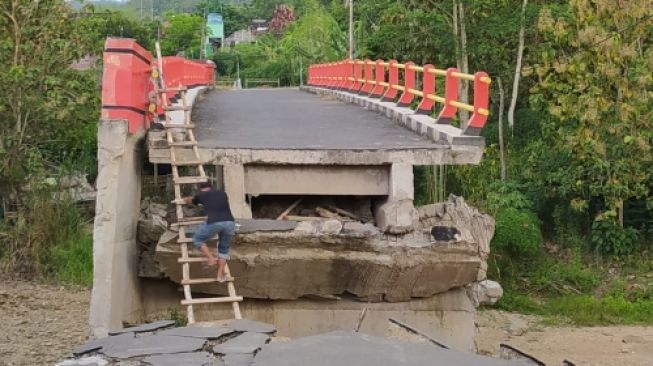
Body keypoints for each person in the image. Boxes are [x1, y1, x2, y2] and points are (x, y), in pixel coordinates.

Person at [176, 182, 236, 282]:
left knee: (197, 239)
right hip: (230, 222)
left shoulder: (201, 195)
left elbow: (189, 200)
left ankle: (211, 259)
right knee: (223, 249)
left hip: (215, 222)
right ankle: (220, 275)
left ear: (201, 188)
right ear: (211, 187)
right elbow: (217, 205)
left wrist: (182, 200)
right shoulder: (223, 193)